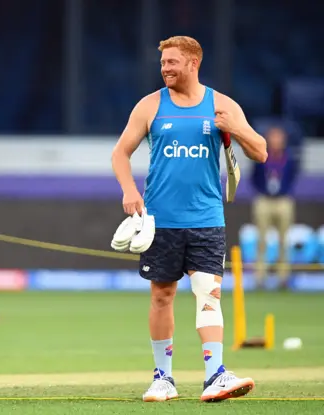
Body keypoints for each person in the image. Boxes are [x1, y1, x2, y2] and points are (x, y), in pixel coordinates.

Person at [111, 36, 267, 403]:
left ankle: (215, 375)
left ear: (193, 63)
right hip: (160, 220)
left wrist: (236, 127)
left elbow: (260, 151)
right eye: (163, 62)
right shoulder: (150, 106)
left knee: (208, 295)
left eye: (172, 62)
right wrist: (128, 190)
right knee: (162, 296)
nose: (165, 68)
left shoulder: (221, 104)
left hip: (207, 218)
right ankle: (162, 377)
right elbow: (120, 153)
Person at [250, 126, 299, 290]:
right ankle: (259, 278)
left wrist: (285, 191)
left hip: (283, 200)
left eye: (279, 137)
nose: (276, 140)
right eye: (273, 137)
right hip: (264, 200)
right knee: (261, 240)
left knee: (284, 240)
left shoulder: (289, 158)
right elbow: (254, 177)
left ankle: (283, 278)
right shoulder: (260, 155)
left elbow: (292, 177)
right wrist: (262, 191)